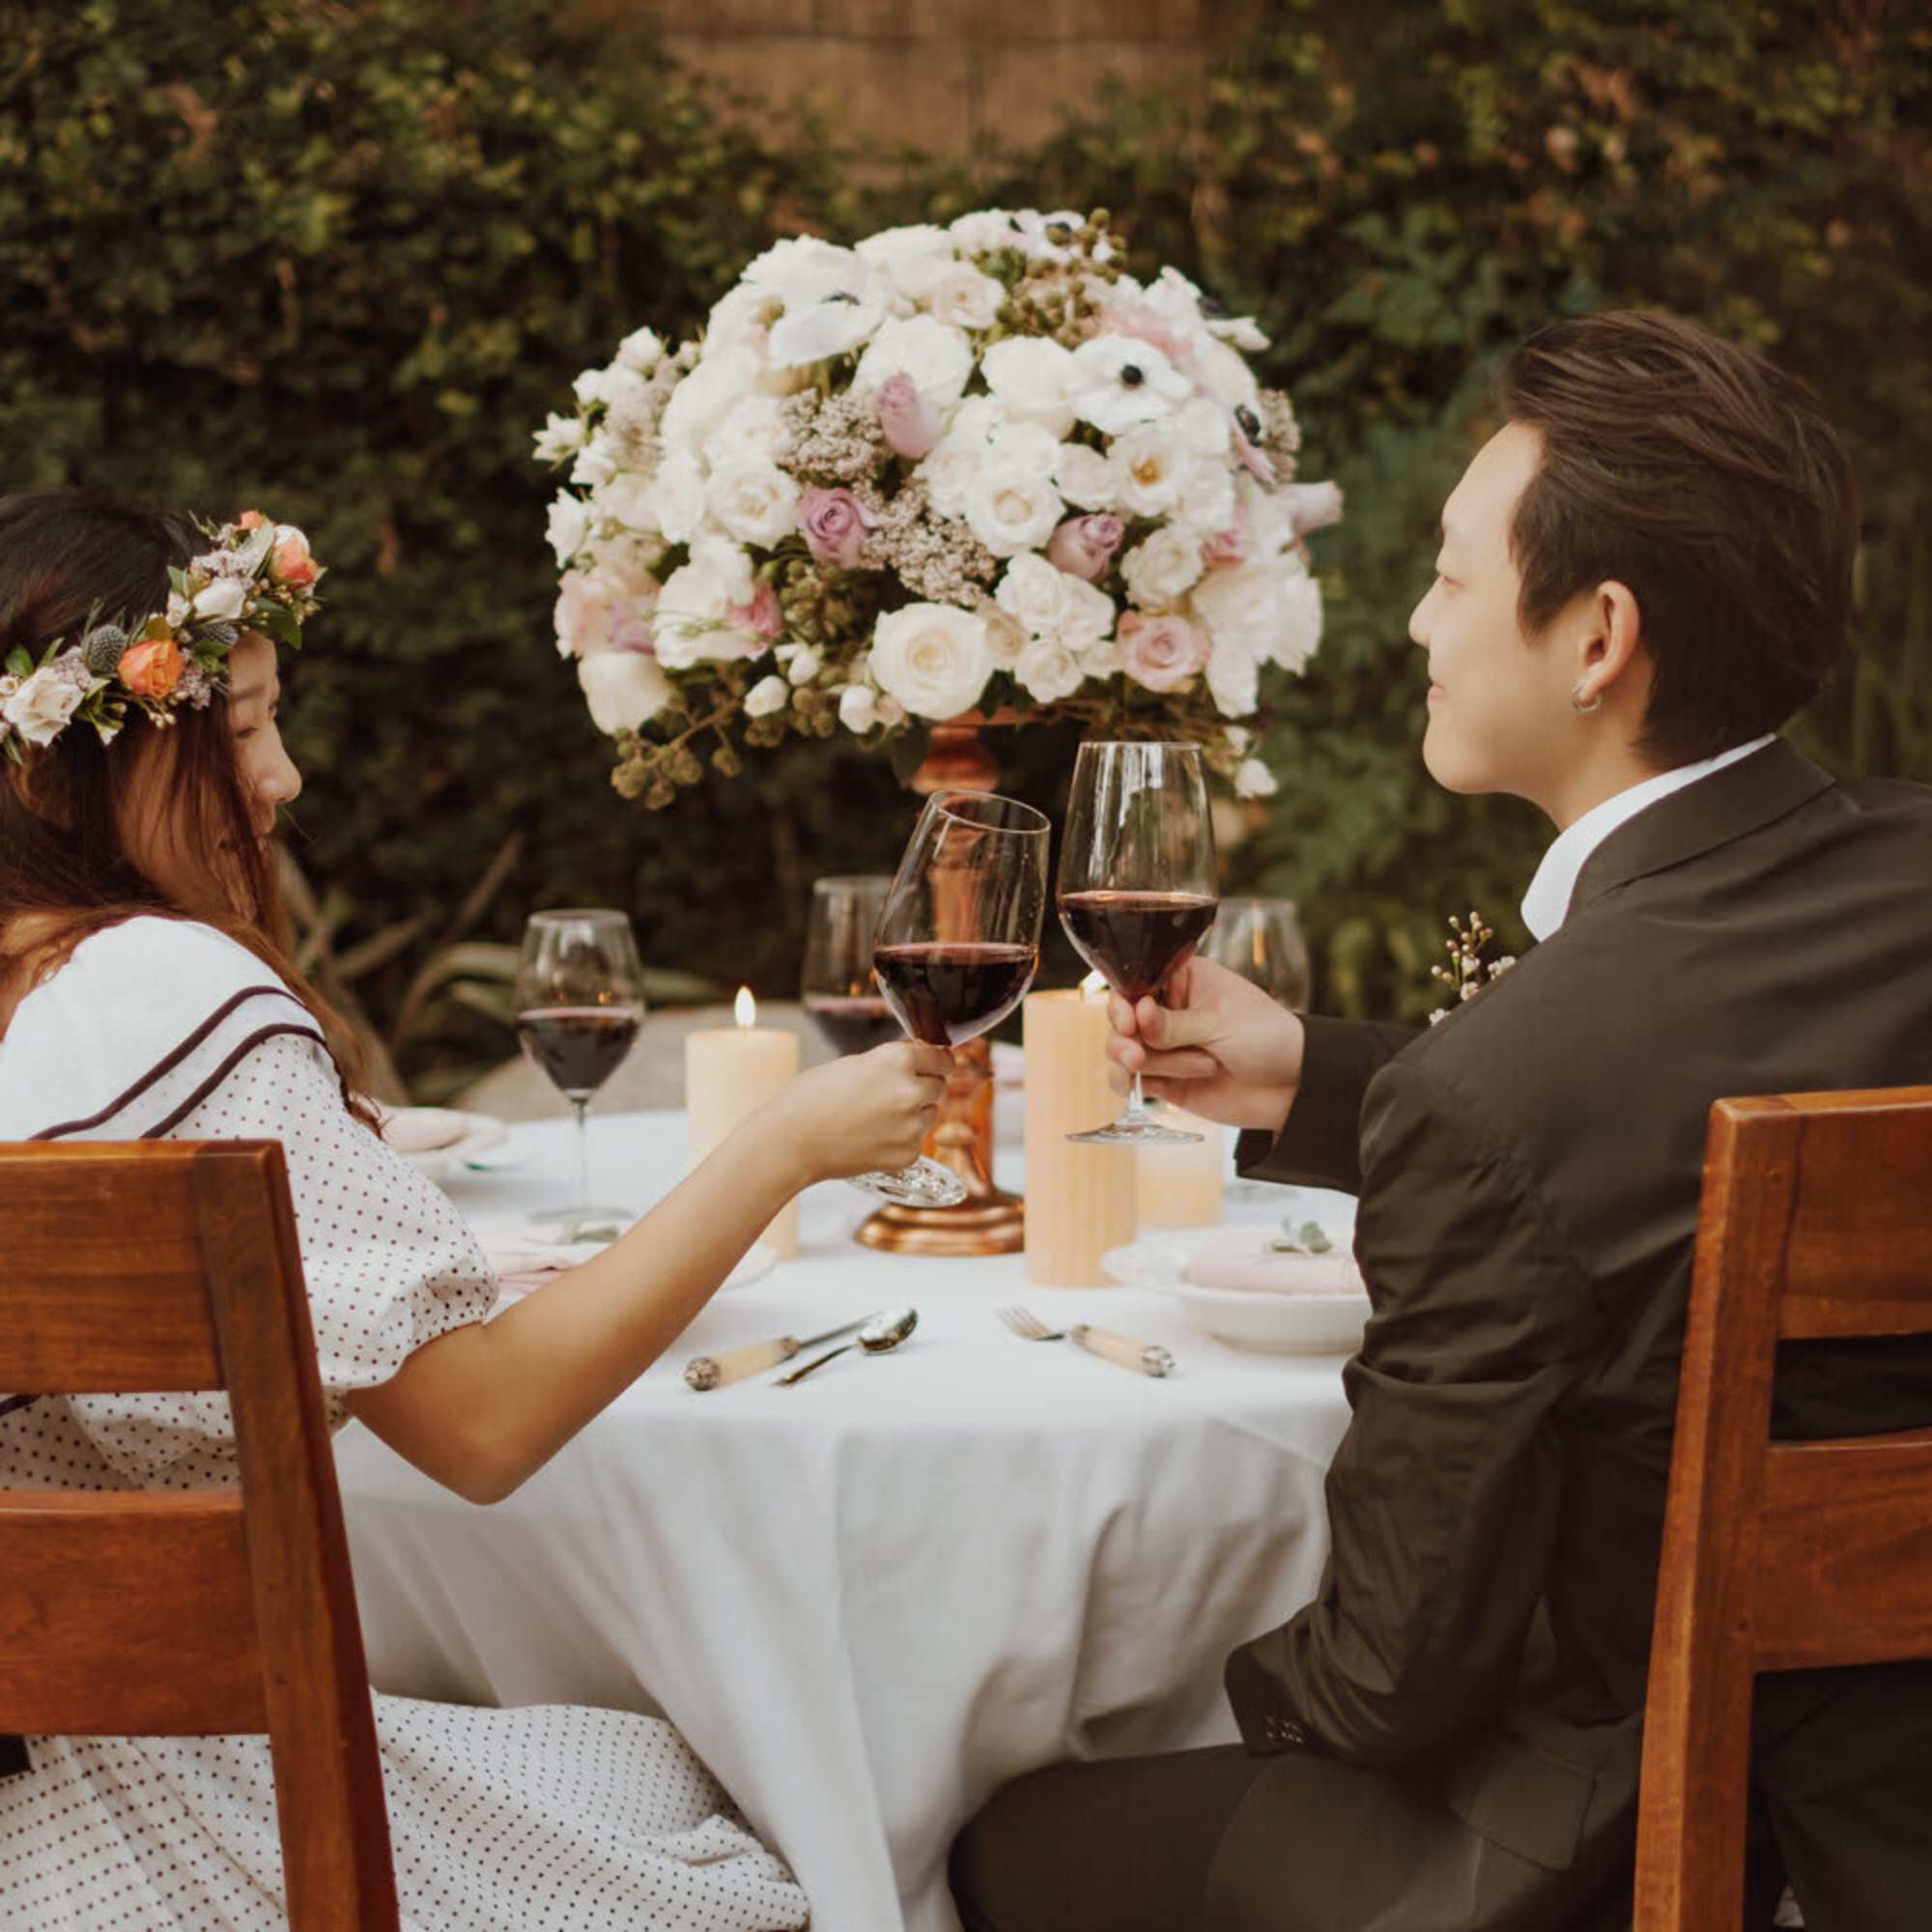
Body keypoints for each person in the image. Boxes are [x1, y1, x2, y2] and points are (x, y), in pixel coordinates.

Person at [949, 310, 1932, 1932]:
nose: (1417, 623)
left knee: (1001, 1840)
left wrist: (1181, 1679)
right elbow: (1683, 1094)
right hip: (1889, 1810)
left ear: (1598, 635)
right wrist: (1324, 1080)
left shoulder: (1512, 1091)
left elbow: (1393, 1683)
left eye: (1455, 577)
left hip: (1665, 1841)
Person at [0, 488, 951, 1929]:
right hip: (139, 1821)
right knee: (749, 1822)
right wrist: (781, 1149)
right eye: (243, 727)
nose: (286, 778)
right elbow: (486, 1430)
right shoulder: (163, 992)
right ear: (73, 768)